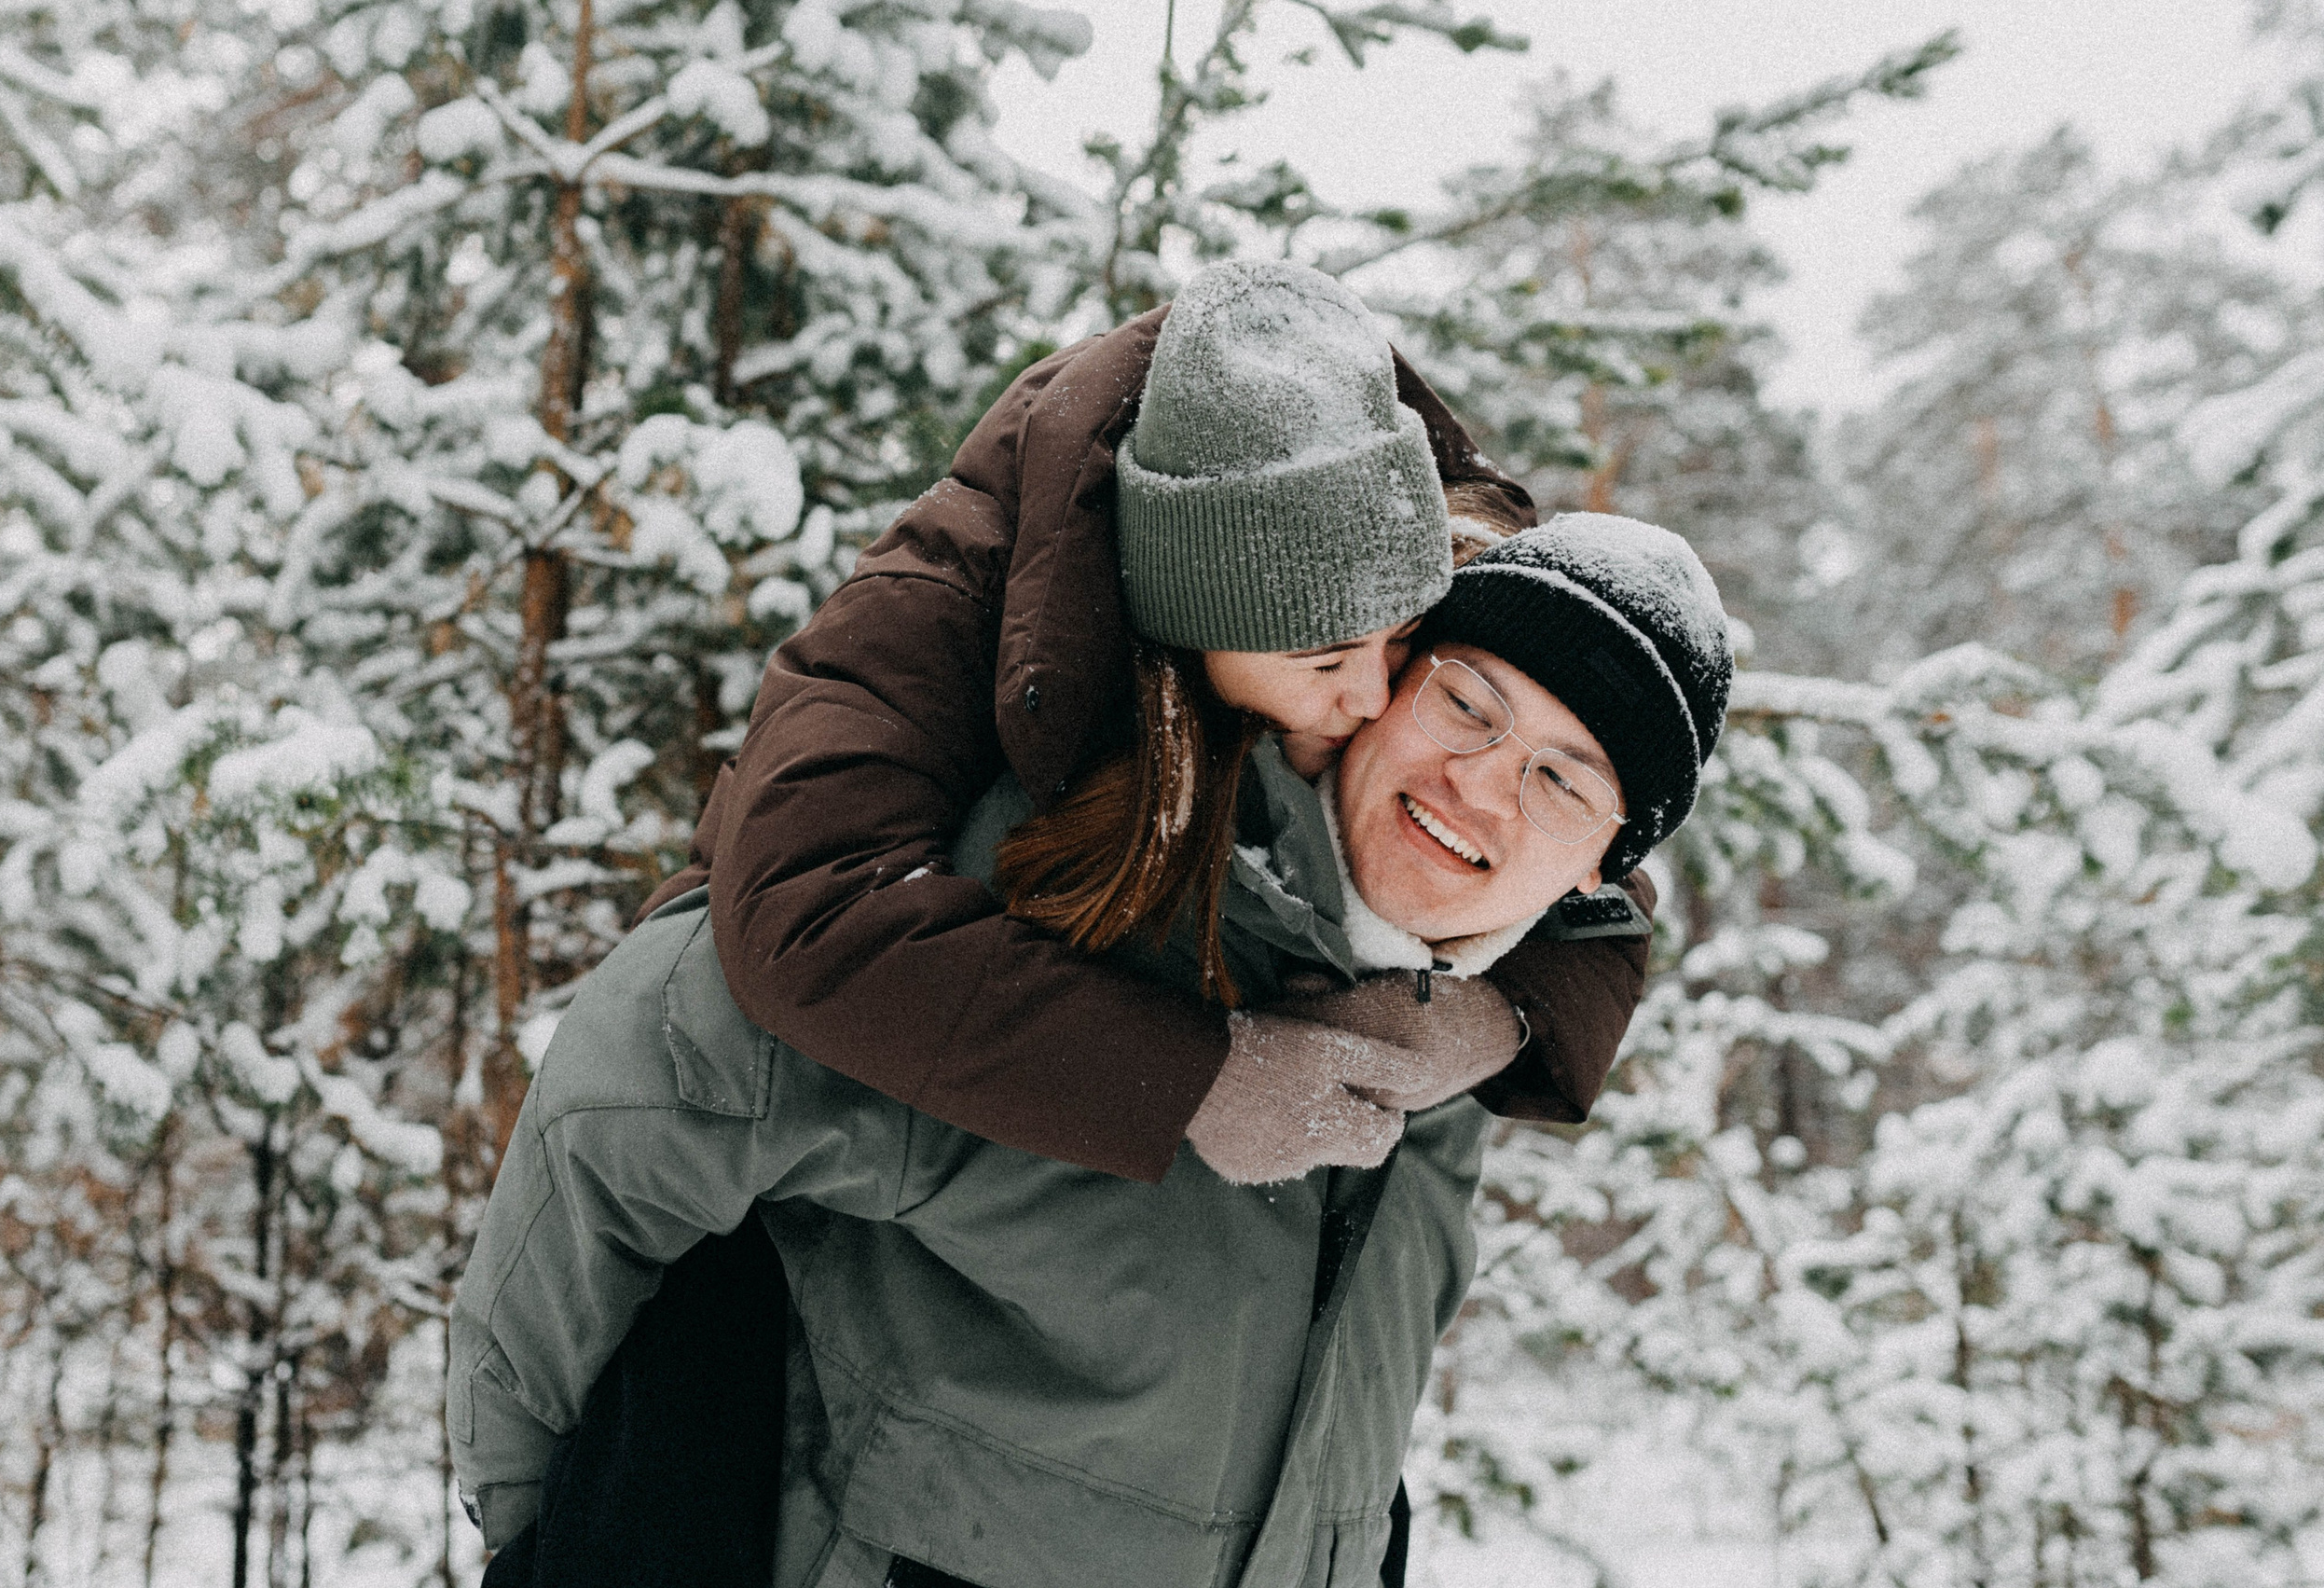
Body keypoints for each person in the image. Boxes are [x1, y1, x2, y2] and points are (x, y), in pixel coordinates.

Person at [471, 262, 1657, 1581]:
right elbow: (780, 936)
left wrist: (1495, 1016)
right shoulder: (973, 658)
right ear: (1196, 635)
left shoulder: (1398, 560)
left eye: (1409, 648)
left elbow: (1601, 845)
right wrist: (544, 1525)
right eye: (1328, 663)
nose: (1378, 702)